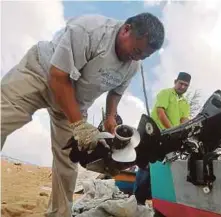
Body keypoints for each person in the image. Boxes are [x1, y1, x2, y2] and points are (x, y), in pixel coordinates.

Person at [1, 12, 164, 217]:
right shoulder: (89, 31)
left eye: (144, 56)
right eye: (136, 50)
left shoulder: (133, 65)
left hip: (75, 103)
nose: (137, 58)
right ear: (126, 29)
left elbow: (116, 92)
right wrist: (79, 126)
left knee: (68, 163)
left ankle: (59, 214)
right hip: (40, 75)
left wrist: (110, 118)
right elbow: (58, 77)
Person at [133, 72, 191, 205]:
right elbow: (160, 113)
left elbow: (184, 120)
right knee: (146, 168)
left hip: (169, 141)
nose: (183, 87)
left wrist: (184, 132)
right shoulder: (165, 93)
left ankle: (155, 202)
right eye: (181, 83)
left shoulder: (185, 103)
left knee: (162, 169)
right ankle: (137, 202)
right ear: (175, 81)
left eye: (186, 85)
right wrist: (172, 130)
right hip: (153, 136)